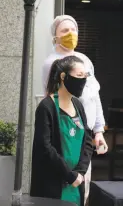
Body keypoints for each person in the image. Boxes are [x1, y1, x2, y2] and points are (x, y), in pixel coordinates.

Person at [42, 15, 108, 204]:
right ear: (55, 36)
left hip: (85, 133)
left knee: (83, 186)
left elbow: (95, 95)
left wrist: (98, 130)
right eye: (64, 31)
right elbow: (52, 98)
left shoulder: (84, 59)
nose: (70, 34)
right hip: (67, 132)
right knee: (66, 184)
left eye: (73, 30)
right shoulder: (52, 63)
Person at [30, 56, 93, 206]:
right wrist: (68, 175)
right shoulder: (47, 107)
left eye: (85, 76)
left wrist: (80, 172)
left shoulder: (78, 105)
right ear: (63, 77)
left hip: (76, 183)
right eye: (79, 76)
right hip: (54, 184)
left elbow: (88, 142)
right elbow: (45, 147)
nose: (83, 80)